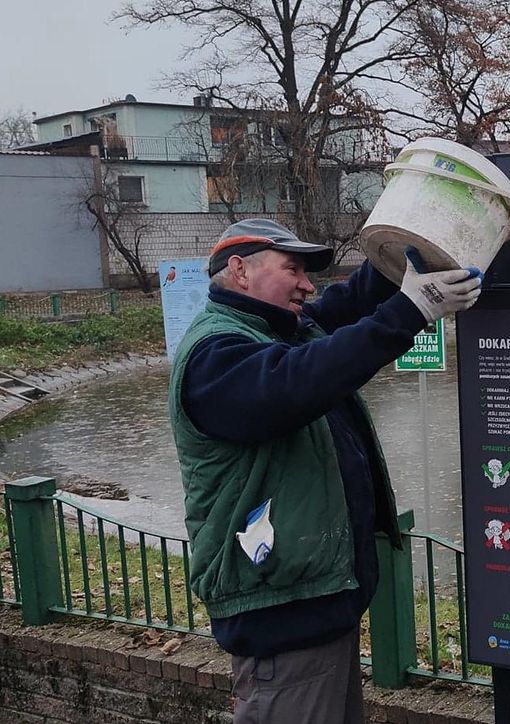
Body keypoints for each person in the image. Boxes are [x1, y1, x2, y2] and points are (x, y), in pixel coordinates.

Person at [167, 218, 481, 724]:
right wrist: (411, 310)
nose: (307, 284)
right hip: (281, 618)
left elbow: (348, 304)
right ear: (239, 270)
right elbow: (301, 381)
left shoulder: (277, 330)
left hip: (312, 605)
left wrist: (411, 243)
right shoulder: (216, 354)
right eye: (292, 268)